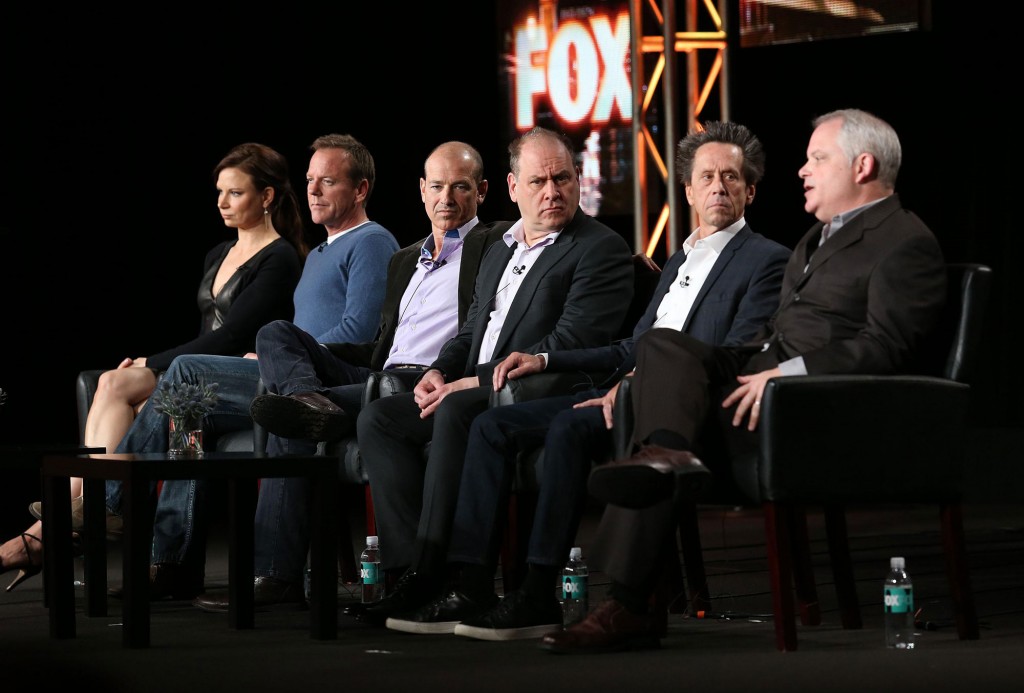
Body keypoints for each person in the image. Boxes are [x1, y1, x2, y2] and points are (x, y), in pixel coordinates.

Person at [540, 108, 948, 654]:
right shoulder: (816, 238)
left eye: (817, 159)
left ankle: (630, 602)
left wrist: (785, 373)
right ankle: (668, 460)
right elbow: (775, 332)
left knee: (656, 431)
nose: (803, 170)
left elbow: (886, 347)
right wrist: (741, 364)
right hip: (762, 381)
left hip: (814, 407)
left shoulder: (904, 240)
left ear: (863, 165)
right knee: (661, 348)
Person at [382, 120, 791, 639]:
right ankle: (471, 582)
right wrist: (545, 361)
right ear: (686, 190)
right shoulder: (681, 258)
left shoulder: (767, 259)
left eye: (730, 177)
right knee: (492, 428)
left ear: (750, 190)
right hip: (617, 391)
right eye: (706, 176)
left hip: (681, 408)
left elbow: (736, 354)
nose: (718, 187)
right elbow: (629, 346)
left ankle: (537, 591)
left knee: (564, 429)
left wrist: (639, 380)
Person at [23, 134, 399, 601]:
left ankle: (110, 503)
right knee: (187, 405)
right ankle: (173, 566)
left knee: (186, 372)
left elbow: (358, 337)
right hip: (284, 376)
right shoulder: (320, 252)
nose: (314, 191)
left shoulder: (372, 241)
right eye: (309, 180)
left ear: (360, 190)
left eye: (328, 181)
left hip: (322, 385)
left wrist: (280, 354)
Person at [189, 140, 506, 610]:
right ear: (421, 191)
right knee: (276, 335)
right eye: (437, 187)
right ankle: (309, 403)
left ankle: (276, 577)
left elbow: (512, 286)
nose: (447, 198)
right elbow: (376, 342)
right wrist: (308, 357)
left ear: (481, 191)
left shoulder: (492, 245)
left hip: (422, 380)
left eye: (460, 187)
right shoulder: (407, 259)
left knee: (287, 420)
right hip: (378, 370)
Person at [351, 126, 636, 625]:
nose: (552, 191)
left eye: (562, 178)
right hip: (478, 386)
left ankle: (449, 576)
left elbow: (571, 344)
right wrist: (441, 369)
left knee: (458, 410)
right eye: (538, 181)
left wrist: (474, 384)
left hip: (544, 387)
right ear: (512, 187)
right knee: (381, 418)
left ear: (577, 180)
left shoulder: (599, 248)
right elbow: (472, 331)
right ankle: (410, 569)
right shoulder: (500, 247)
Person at [0, 142, 307, 591]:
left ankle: (68, 519)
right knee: (110, 381)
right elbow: (206, 326)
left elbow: (232, 337)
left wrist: (154, 362)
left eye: (235, 193)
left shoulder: (280, 257)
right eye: (219, 192)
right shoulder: (218, 253)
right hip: (195, 372)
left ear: (266, 197)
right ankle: (83, 508)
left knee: (138, 384)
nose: (222, 202)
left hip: (228, 374)